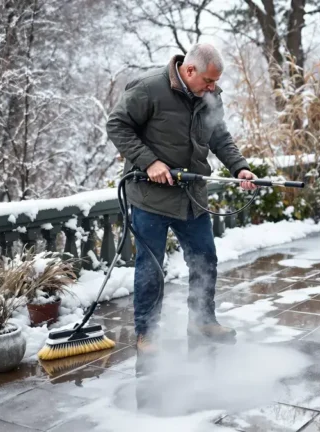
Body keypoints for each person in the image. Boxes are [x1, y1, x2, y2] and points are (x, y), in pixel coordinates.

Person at [106, 43, 256, 352]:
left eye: (215, 82)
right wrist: (149, 162)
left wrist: (240, 168)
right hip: (150, 197)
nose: (213, 88)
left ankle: (202, 321)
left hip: (191, 195)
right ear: (189, 71)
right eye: (208, 81)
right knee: (151, 267)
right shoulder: (149, 89)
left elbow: (219, 137)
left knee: (205, 258)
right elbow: (117, 125)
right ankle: (147, 334)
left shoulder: (209, 96)